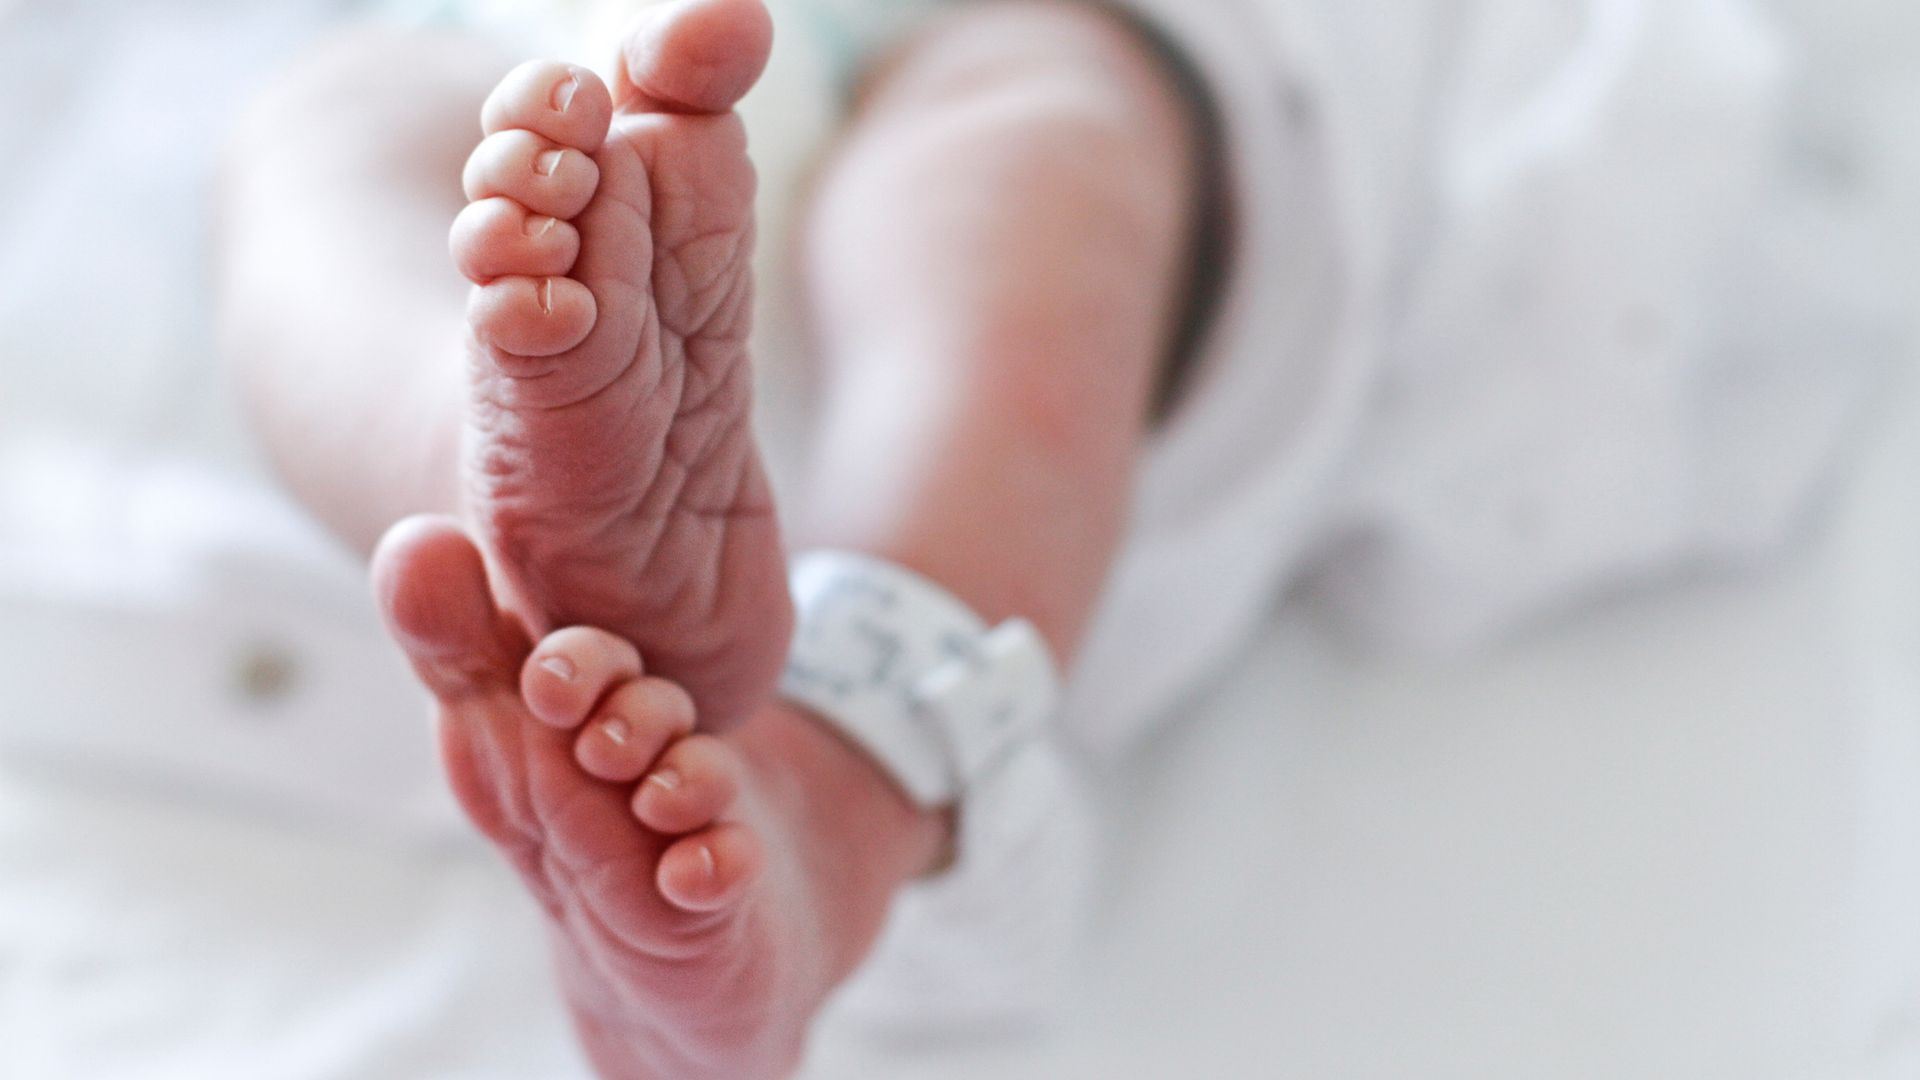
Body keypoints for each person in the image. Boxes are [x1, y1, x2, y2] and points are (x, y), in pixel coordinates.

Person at [215, 0, 1894, 1075]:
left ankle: (830, 746)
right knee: (330, 131)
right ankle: (507, 451)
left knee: (1033, 126)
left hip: (1041, 161)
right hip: (580, 104)